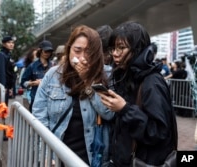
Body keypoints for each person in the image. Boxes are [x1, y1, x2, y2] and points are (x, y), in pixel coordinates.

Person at [32, 25, 114, 166]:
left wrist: (87, 82)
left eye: (88, 52)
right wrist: (44, 154)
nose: (82, 57)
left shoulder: (108, 74)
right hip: (57, 156)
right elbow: (39, 117)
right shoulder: (53, 75)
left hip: (90, 157)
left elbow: (108, 113)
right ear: (69, 49)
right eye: (77, 50)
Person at [97, 21, 178, 166]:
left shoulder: (152, 83)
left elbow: (159, 133)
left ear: (137, 49)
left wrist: (125, 109)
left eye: (121, 48)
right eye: (113, 48)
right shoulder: (126, 76)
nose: (115, 54)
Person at [21, 40, 54, 112]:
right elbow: (23, 83)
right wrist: (33, 83)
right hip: (36, 99)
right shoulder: (32, 66)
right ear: (40, 51)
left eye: (50, 51)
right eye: (46, 51)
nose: (48, 53)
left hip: (50, 99)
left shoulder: (53, 65)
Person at [0, 36, 16, 105]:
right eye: (9, 42)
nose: (11, 44)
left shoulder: (8, 55)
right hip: (3, 87)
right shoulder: (1, 55)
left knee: (4, 106)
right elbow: (1, 72)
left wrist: (11, 87)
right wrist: (3, 87)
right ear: (3, 44)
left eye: (12, 43)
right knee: (1, 106)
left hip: (8, 86)